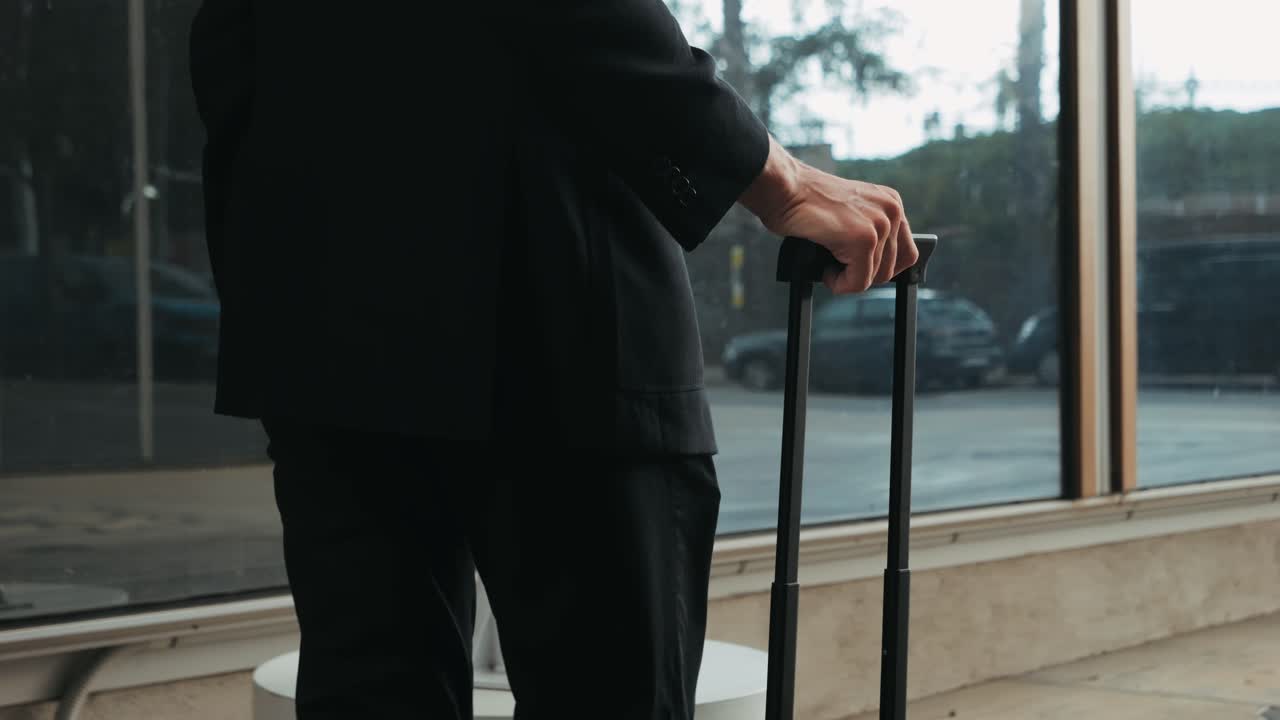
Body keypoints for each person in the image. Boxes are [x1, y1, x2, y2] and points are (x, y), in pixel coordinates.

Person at [189, 1, 916, 718]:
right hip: (554, 302)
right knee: (608, 691)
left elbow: (230, 52)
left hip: (328, 320)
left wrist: (273, 295)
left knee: (373, 688)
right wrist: (774, 176)